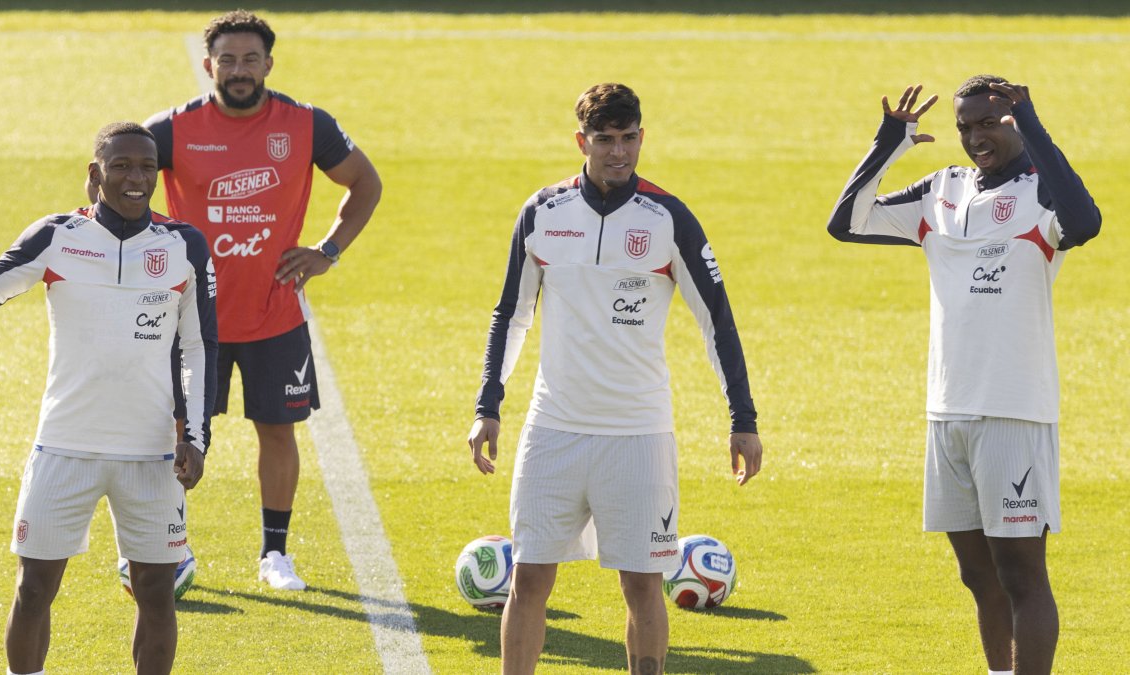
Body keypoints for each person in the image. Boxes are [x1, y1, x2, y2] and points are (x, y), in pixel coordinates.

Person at [467, 83, 763, 675]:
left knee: (642, 586)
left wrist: (744, 421)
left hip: (638, 435)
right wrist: (488, 406)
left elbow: (717, 322)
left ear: (641, 138)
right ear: (583, 141)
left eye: (629, 139)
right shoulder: (542, 213)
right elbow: (511, 314)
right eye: (605, 140)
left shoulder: (668, 218)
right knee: (528, 580)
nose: (618, 153)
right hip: (552, 430)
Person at [826, 76, 1101, 675]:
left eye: (990, 124)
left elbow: (1085, 222)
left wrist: (1031, 123)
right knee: (977, 576)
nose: (977, 137)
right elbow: (846, 222)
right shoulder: (941, 192)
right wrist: (889, 141)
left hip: (1013, 409)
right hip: (946, 411)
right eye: (966, 126)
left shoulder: (1041, 193)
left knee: (1022, 576)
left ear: (1014, 122)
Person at [0, 122, 217, 675]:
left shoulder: (184, 245)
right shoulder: (57, 236)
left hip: (150, 453)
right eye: (121, 166)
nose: (135, 177)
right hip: (65, 445)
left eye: (146, 166)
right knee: (34, 588)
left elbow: (198, 346)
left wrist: (195, 437)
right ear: (95, 175)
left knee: (156, 593)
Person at [141, 10, 382, 590]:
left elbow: (365, 183)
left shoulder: (305, 125)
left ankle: (275, 555)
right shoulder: (171, 129)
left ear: (269, 64)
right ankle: (163, 548)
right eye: (228, 59)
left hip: (276, 317)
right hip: (193, 322)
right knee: (175, 431)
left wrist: (328, 250)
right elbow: (109, 182)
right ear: (209, 66)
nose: (240, 70)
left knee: (277, 431)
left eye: (251, 59)